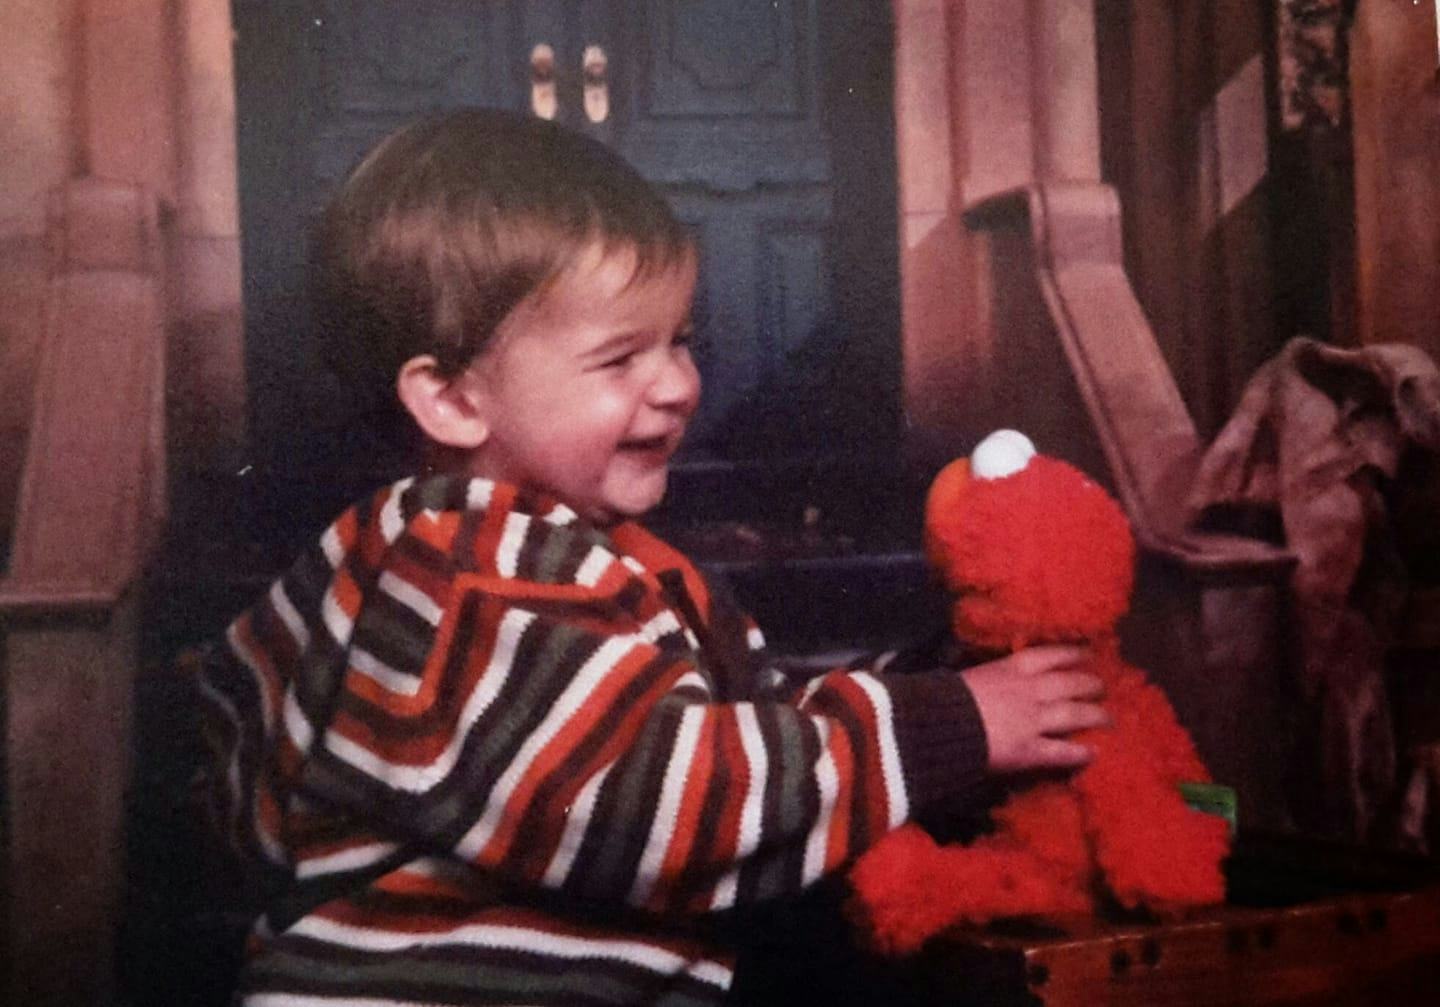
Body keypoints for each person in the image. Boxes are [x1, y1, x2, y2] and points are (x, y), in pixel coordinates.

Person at [194, 108, 1108, 1006]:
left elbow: (740, 716)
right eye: (620, 358)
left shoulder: (600, 559)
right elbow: (665, 796)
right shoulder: (463, 575)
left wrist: (931, 678)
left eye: (679, 341)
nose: (678, 385)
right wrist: (939, 727)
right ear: (452, 401)